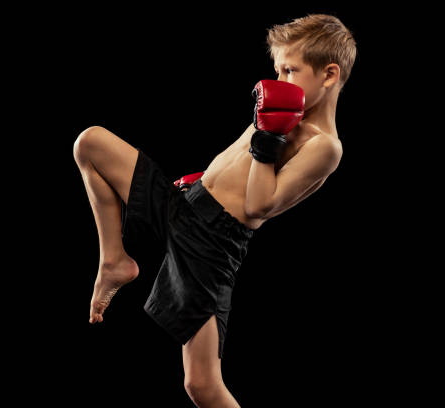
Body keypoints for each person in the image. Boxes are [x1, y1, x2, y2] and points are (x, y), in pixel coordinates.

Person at [73, 14, 356, 408]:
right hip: (190, 206)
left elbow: (259, 204)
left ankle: (116, 262)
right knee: (90, 143)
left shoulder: (325, 146)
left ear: (329, 74)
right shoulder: (280, 109)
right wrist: (201, 181)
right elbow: (234, 166)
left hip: (213, 243)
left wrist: (269, 136)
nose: (279, 80)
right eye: (277, 69)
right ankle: (114, 260)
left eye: (290, 70)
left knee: (201, 384)